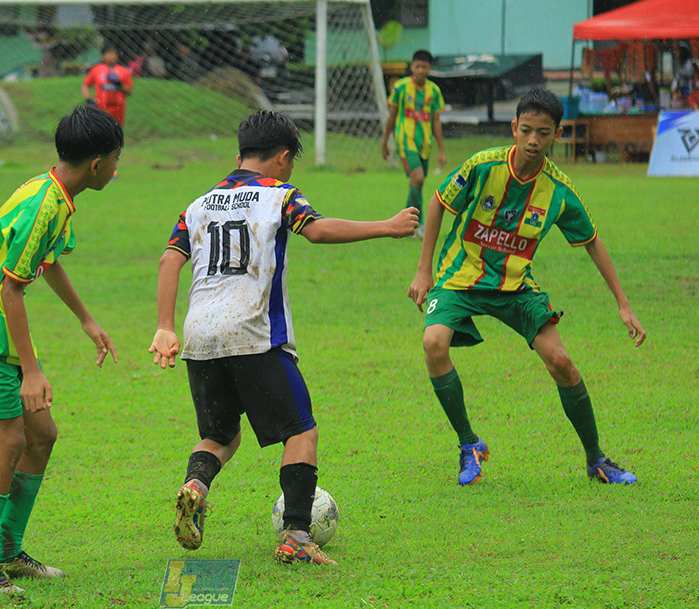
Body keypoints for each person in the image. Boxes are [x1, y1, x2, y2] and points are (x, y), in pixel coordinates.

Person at [149, 110, 418, 566]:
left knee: (220, 434)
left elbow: (169, 261)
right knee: (301, 431)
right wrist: (387, 226)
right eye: (290, 162)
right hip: (255, 332)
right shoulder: (279, 194)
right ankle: (296, 534)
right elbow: (316, 230)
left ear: (238, 156)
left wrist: (164, 325)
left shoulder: (197, 206)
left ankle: (196, 484)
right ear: (282, 157)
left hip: (199, 336)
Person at [406, 89, 647, 487]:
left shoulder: (559, 189)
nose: (534, 139)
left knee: (561, 362)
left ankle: (597, 460)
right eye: (527, 130)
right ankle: (469, 444)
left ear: (557, 134)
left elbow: (592, 241)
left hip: (516, 285)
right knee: (434, 343)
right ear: (514, 127)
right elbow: (437, 203)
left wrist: (623, 304)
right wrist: (423, 270)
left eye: (544, 132)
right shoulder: (482, 166)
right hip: (460, 276)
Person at [0, 104, 122, 594]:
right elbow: (9, 290)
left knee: (42, 436)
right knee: (11, 443)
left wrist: (87, 319)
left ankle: (7, 551)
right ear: (99, 163)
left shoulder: (55, 195)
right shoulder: (44, 203)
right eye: (117, 160)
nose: (117, 170)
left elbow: (48, 262)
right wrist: (34, 371)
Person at [381, 50, 446, 239]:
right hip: (405, 140)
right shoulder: (400, 88)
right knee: (417, 178)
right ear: (411, 67)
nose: (420, 70)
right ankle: (419, 223)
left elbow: (436, 121)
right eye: (417, 66)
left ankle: (404, 222)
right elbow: (392, 116)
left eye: (424, 66)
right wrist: (385, 141)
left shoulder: (434, 91)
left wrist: (441, 149)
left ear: (430, 68)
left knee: (418, 182)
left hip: (424, 143)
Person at [80, 43, 133, 127]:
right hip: (101, 107)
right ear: (103, 56)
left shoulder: (123, 71)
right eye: (109, 53)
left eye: (114, 53)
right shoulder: (96, 69)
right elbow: (85, 85)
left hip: (118, 108)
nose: (113, 56)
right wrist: (88, 99)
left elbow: (129, 91)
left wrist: (119, 84)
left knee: (116, 131)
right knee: (101, 131)